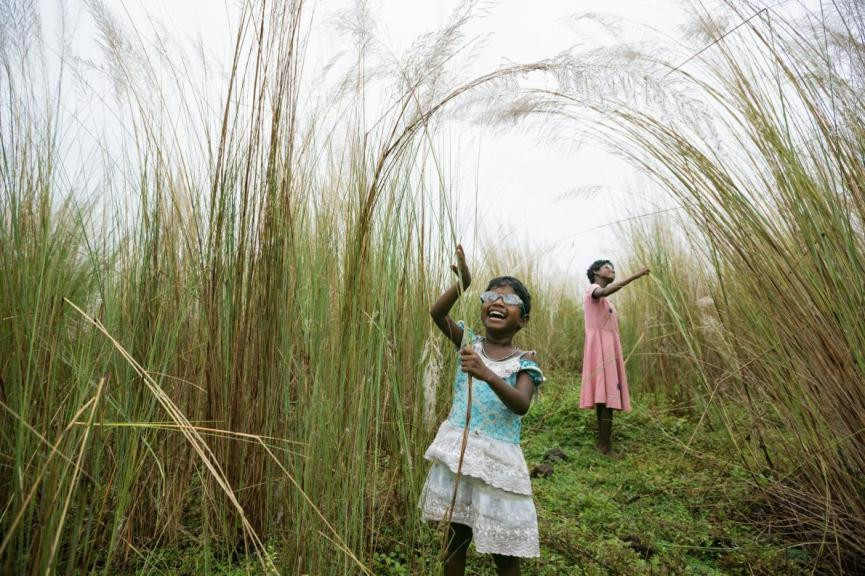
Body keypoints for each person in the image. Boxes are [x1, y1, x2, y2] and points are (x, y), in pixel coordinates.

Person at [419, 244, 545, 576]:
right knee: (454, 536)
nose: (497, 302)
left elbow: (520, 405)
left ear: (524, 320)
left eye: (510, 300)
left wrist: (486, 373)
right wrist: (462, 283)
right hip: (459, 454)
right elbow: (437, 313)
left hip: (498, 463)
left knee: (504, 550)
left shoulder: (524, 360)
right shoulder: (469, 343)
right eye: (490, 296)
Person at [580, 260, 649, 455]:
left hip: (609, 346)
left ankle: (604, 444)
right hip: (599, 347)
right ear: (595, 272)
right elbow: (603, 292)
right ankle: (604, 446)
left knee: (607, 394)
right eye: (606, 268)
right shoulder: (592, 289)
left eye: (613, 268)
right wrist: (635, 275)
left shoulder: (608, 302)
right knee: (604, 395)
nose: (612, 270)